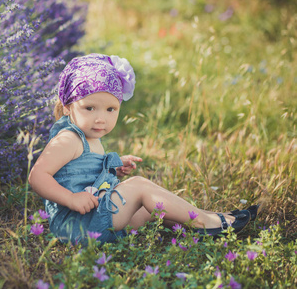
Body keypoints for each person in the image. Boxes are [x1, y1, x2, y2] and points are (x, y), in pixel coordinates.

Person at [28, 53, 254, 244]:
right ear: (68, 107)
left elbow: (81, 172)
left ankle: (205, 221)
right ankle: (206, 223)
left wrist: (111, 170)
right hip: (76, 224)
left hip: (93, 216)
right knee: (138, 186)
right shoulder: (68, 138)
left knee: (149, 210)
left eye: (110, 109)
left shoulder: (88, 135)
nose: (101, 119)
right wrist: (70, 198)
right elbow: (37, 176)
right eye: (90, 108)